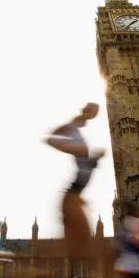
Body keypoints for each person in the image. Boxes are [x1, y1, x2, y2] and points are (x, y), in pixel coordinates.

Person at [45, 103, 105, 262]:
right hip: (73, 193)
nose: (94, 116)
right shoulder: (73, 127)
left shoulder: (78, 133)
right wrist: (69, 148)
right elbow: (49, 139)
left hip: (76, 193)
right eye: (93, 112)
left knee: (80, 246)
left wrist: (94, 158)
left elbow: (85, 166)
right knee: (81, 248)